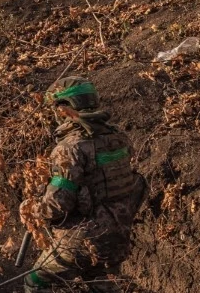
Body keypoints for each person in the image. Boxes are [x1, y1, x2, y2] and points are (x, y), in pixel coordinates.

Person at [23, 76, 147, 292]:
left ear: (65, 109)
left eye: (56, 109)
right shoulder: (118, 138)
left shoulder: (69, 148)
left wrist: (31, 209)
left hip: (82, 240)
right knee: (100, 285)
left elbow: (57, 204)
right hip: (118, 237)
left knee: (36, 281)